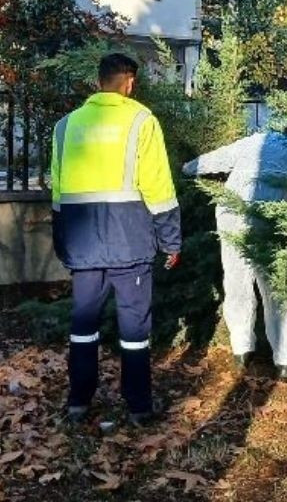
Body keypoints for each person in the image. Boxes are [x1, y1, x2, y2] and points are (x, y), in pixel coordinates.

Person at [51, 53, 182, 425]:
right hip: (131, 246)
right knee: (134, 329)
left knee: (83, 326)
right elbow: (158, 187)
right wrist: (171, 241)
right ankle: (139, 407)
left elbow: (58, 194)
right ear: (129, 82)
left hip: (84, 247)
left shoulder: (65, 127)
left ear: (98, 81)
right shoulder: (141, 120)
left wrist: (63, 243)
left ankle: (78, 403)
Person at [183, 124, 287, 381]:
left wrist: (187, 167)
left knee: (237, 282)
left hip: (231, 214)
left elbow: (217, 158)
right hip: (268, 218)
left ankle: (241, 350)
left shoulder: (256, 140)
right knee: (277, 289)